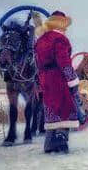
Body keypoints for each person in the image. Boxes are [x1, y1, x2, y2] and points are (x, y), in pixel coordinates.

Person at [35, 10, 82, 154]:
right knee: (65, 108)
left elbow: (36, 61)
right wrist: (72, 80)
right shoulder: (60, 39)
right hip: (58, 78)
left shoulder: (41, 40)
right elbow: (64, 62)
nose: (66, 28)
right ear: (61, 24)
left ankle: (49, 144)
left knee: (51, 110)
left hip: (45, 79)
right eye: (65, 25)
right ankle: (61, 140)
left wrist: (39, 80)